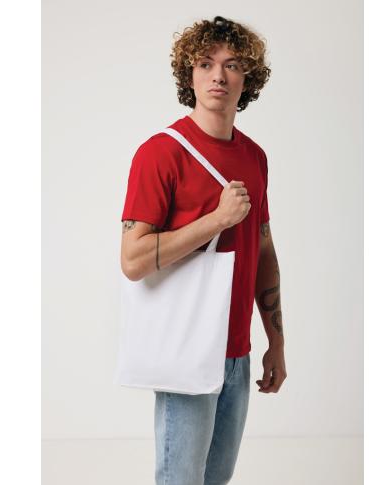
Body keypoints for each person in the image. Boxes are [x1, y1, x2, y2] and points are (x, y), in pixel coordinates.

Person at [120, 15, 287, 485]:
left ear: (247, 79)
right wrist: (216, 220)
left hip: (238, 354)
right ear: (188, 75)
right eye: (205, 64)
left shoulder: (254, 157)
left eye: (232, 65)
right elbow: (132, 260)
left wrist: (276, 342)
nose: (218, 75)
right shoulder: (160, 153)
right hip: (187, 350)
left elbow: (263, 249)